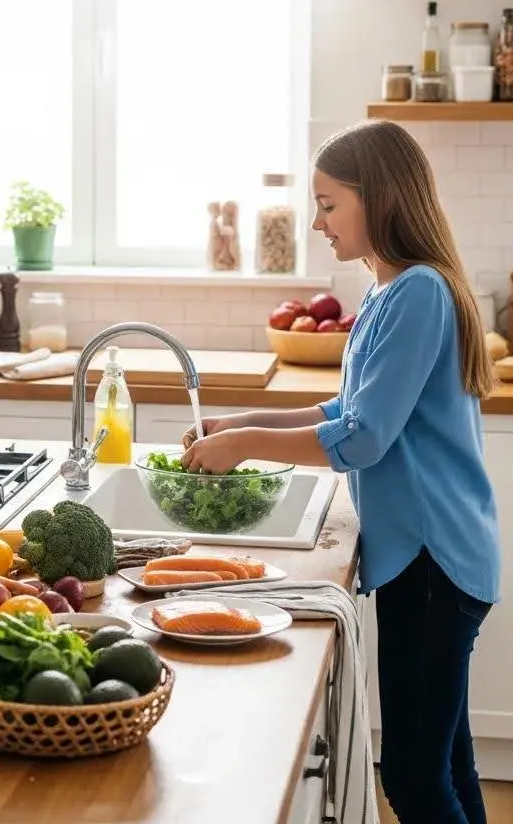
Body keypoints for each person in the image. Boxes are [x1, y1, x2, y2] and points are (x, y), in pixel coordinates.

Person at [181, 120, 500, 824]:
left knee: (414, 779)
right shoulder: (393, 293)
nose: (319, 223)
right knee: (447, 764)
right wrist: (239, 427)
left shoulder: (418, 293)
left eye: (329, 204)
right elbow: (345, 406)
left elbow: (363, 438)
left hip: (433, 563)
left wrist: (247, 446)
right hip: (437, 559)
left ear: (377, 198)